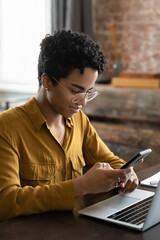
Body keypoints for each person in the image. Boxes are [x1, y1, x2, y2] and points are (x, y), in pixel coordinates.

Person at [0, 29, 139, 221]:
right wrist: (80, 186)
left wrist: (127, 174)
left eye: (89, 92)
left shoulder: (78, 120)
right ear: (47, 81)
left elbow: (113, 162)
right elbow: (5, 202)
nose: (83, 102)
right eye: (76, 91)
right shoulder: (7, 128)